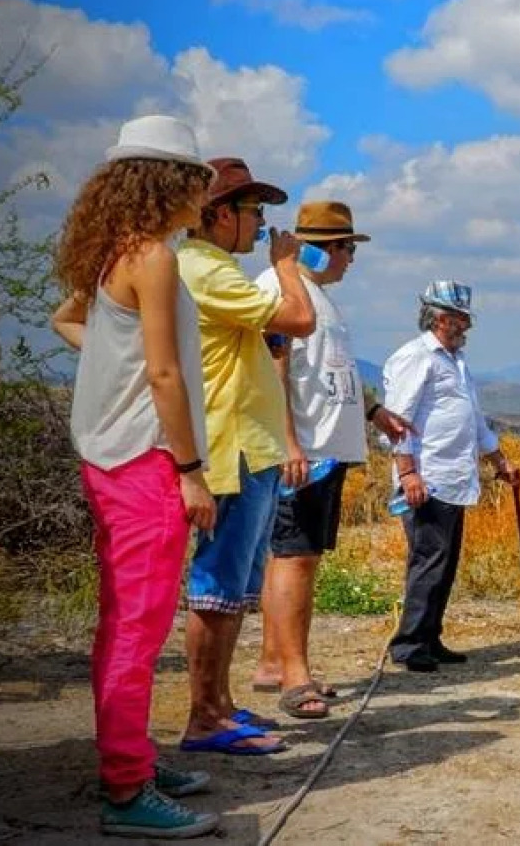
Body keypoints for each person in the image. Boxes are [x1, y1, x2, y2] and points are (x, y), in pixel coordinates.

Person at [49, 115, 221, 837]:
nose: (205, 195)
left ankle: (131, 760)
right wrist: (190, 472)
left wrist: (108, 366)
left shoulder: (110, 252)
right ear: (171, 181)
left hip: (110, 458)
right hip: (144, 462)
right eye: (199, 180)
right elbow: (163, 372)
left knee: (124, 621)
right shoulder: (154, 257)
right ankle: (127, 791)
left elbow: (69, 322)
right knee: (137, 630)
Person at [175, 156, 316, 755]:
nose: (262, 223)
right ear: (220, 214)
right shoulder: (206, 269)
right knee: (216, 588)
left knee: (233, 589)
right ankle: (205, 716)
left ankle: (221, 707)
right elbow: (299, 318)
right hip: (230, 446)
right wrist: (285, 268)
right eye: (254, 210)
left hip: (247, 446)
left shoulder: (211, 269)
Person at [250, 201, 411, 719]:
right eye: (345, 247)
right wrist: (289, 443)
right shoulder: (279, 291)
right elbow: (273, 372)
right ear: (319, 247)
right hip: (305, 450)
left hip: (326, 447)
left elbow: (330, 367)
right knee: (293, 556)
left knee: (298, 556)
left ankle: (277, 660)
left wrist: (374, 410)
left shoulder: (319, 298)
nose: (350, 259)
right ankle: (295, 677)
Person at [382, 281, 520, 672]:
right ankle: (410, 644)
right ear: (442, 319)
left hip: (454, 479)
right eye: (462, 320)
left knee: (444, 561)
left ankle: (429, 637)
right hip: (428, 479)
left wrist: (500, 461)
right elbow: (396, 421)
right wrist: (408, 473)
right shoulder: (416, 358)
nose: (468, 328)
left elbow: (474, 422)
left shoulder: (455, 363)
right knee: (429, 560)